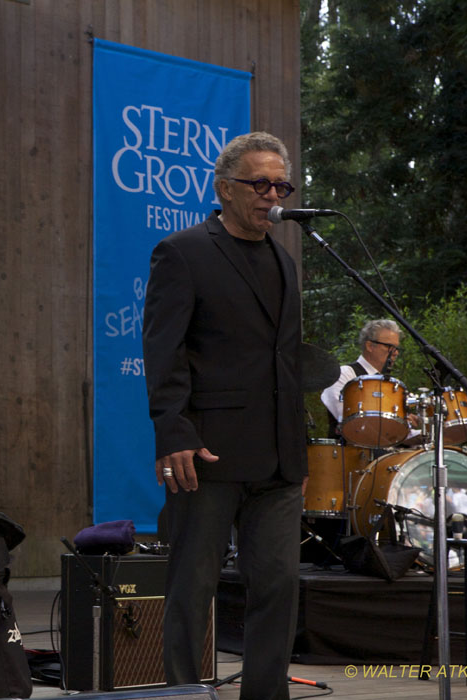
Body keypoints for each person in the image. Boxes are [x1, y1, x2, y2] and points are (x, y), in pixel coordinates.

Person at [142, 132, 306, 700]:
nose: (271, 194)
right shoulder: (183, 251)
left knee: (280, 584)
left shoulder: (285, 261)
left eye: (280, 185)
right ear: (224, 189)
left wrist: (298, 443)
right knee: (192, 586)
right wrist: (174, 433)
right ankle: (183, 693)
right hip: (206, 451)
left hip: (278, 456)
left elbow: (280, 358)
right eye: (258, 183)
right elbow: (164, 352)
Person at [320, 319, 417, 438]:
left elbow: (401, 435)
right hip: (350, 453)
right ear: (370, 346)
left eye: (396, 348)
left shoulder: (391, 385)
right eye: (390, 347)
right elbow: (348, 418)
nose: (395, 353)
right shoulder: (344, 374)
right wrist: (395, 424)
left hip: (388, 453)